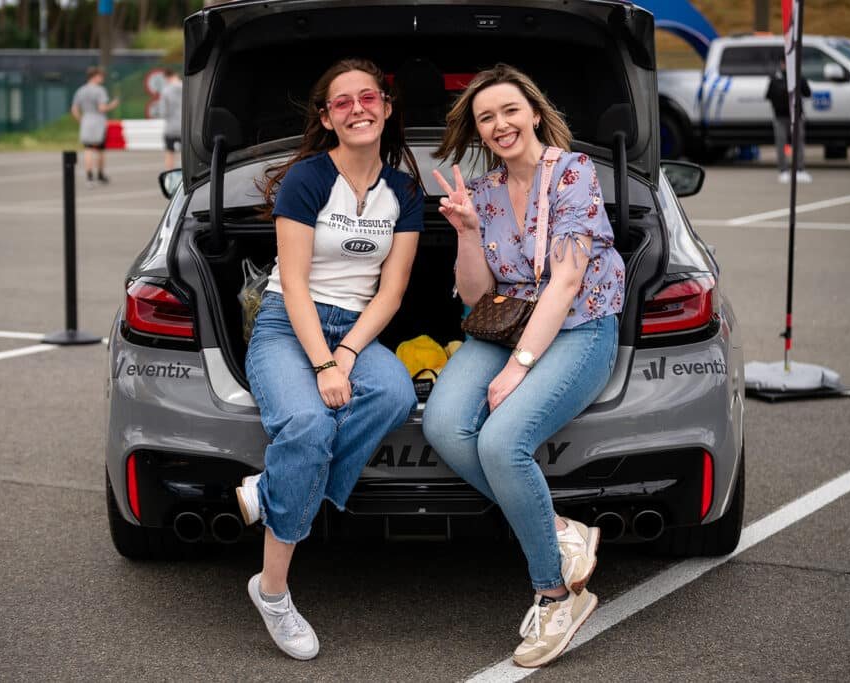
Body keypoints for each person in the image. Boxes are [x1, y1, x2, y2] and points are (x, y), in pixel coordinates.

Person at [423, 63, 624, 668]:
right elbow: (475, 293)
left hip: (579, 326)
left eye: (509, 110)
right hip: (504, 322)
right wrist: (465, 231)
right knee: (442, 424)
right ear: (479, 131)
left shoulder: (574, 173)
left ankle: (555, 594)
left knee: (503, 442)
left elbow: (565, 279)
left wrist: (519, 368)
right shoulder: (481, 191)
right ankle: (562, 529)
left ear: (533, 112)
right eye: (486, 117)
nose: (499, 124)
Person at [234, 57, 424, 661]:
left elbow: (391, 292)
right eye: (342, 102)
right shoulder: (309, 179)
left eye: (368, 97)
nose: (358, 108)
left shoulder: (405, 193)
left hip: (354, 329)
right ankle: (273, 591)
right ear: (327, 118)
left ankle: (281, 490)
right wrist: (323, 365)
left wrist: (346, 354)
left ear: (387, 109)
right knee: (310, 423)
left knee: (394, 394)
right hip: (289, 326)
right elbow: (291, 285)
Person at [71, 66, 119, 186]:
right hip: (98, 121)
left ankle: (89, 176)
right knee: (100, 150)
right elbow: (102, 108)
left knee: (88, 149)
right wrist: (112, 105)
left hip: (86, 120)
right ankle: (100, 174)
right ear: (95, 76)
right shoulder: (100, 90)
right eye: (101, 76)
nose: (102, 78)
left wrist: (81, 120)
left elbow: (74, 109)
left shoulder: (80, 90)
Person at [766, 60, 811, 184]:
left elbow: (807, 93)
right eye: (784, 63)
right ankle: (783, 170)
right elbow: (769, 95)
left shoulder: (798, 77)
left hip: (796, 117)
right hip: (780, 117)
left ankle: (800, 170)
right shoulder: (776, 78)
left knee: (798, 143)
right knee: (781, 143)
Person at [159, 69, 182, 169]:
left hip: (171, 127)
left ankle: (170, 175)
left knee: (169, 152)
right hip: (186, 126)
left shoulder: (166, 90)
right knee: (185, 153)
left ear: (167, 77)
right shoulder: (187, 87)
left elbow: (163, 112)